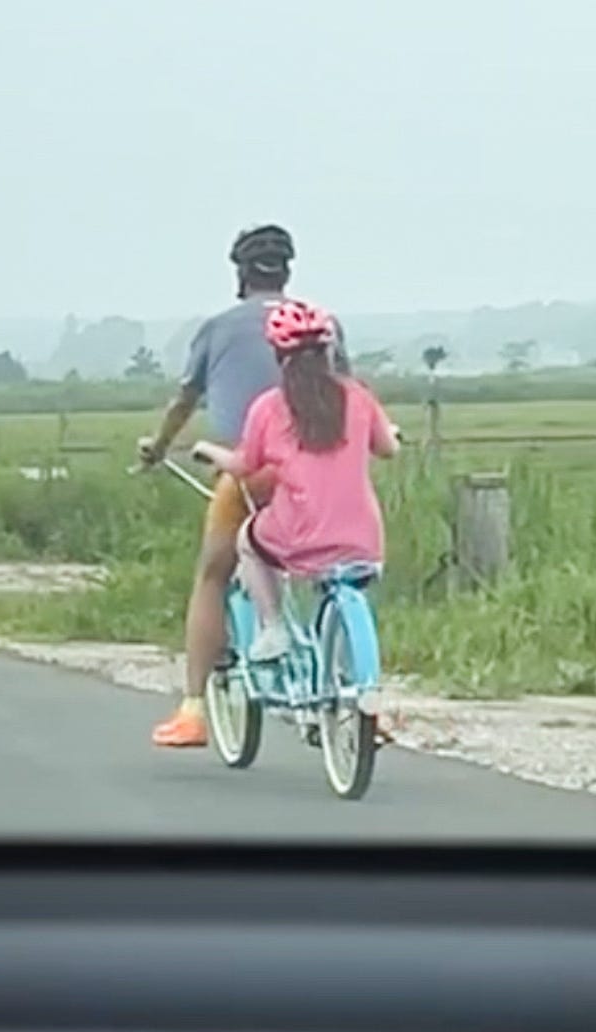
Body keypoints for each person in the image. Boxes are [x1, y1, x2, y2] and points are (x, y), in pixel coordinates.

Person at [138, 224, 350, 747]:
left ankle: (192, 710)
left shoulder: (218, 329)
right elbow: (348, 391)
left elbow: (184, 400)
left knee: (214, 574)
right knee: (335, 573)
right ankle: (355, 694)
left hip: (250, 476)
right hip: (321, 474)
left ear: (240, 273)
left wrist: (159, 447)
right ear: (288, 270)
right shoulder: (323, 325)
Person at [192, 298, 399, 661]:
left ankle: (273, 628)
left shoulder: (270, 408)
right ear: (328, 352)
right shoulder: (358, 398)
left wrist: (209, 451)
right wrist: (390, 433)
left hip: (300, 537)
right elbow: (387, 449)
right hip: (364, 541)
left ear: (279, 355)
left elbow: (244, 465)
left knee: (247, 541)